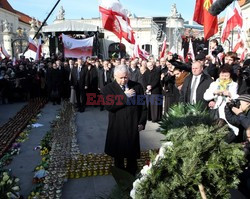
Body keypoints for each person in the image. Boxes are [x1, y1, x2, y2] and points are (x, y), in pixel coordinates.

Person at [101, 65, 147, 176]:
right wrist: (124, 97)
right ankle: (121, 178)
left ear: (129, 75)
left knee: (132, 155)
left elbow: (143, 106)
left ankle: (132, 176)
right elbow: (109, 106)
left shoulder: (137, 87)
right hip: (118, 126)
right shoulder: (108, 88)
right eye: (120, 78)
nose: (123, 80)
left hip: (133, 125)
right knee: (119, 156)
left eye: (125, 77)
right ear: (115, 76)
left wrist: (142, 122)